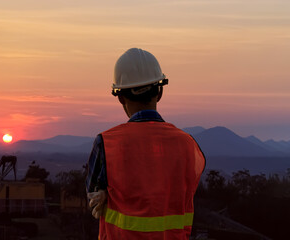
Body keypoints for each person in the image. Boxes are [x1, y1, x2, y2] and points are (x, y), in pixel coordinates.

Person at [86, 48, 205, 239]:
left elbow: (93, 198)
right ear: (160, 92)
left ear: (121, 97)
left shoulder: (107, 144)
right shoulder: (188, 145)